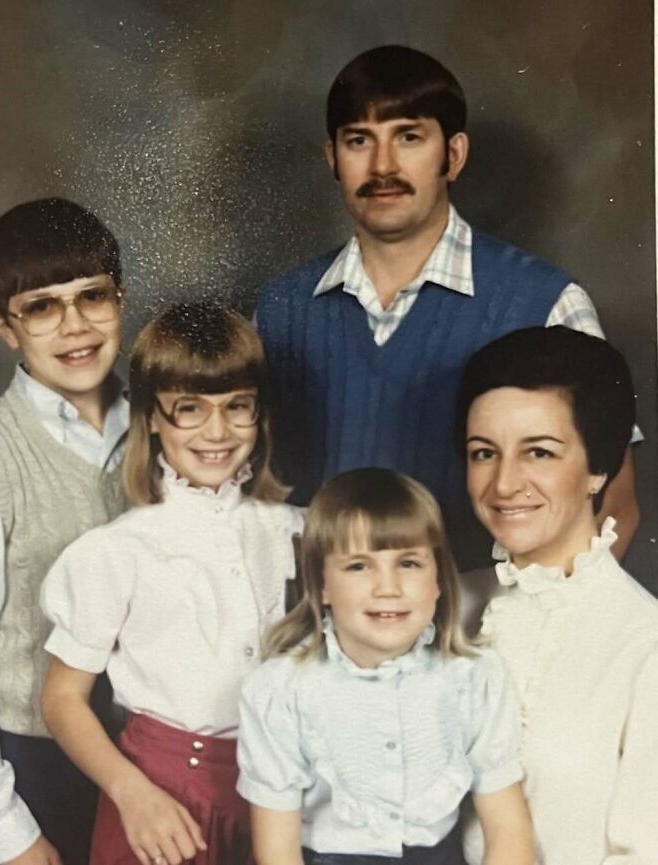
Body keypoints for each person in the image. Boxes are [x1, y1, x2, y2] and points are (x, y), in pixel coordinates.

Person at [255, 44, 639, 569]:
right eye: (359, 141)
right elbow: (250, 494)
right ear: (333, 159)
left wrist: (530, 633)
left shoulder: (547, 303)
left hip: (488, 633)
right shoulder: (280, 311)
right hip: (321, 633)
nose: (382, 165)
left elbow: (614, 506)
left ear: (453, 155)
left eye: (409, 137)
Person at [39, 302, 303, 865]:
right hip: (161, 797)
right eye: (189, 409)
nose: (217, 430)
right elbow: (62, 700)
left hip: (276, 796)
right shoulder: (118, 551)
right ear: (151, 419)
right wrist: (132, 794)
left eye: (238, 408)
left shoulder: (296, 530)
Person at [237, 467, 534, 865]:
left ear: (438, 580)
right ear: (321, 584)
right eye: (359, 566)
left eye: (409, 563)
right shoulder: (281, 690)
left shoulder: (473, 677)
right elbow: (277, 854)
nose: (388, 587)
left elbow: (507, 831)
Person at [0, 198, 128, 865]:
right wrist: (7, 830)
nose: (75, 325)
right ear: (4, 327)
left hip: (147, 751)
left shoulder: (164, 427)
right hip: (36, 765)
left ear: (120, 298)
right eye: (41, 306)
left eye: (93, 296)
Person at [456, 326, 658, 864]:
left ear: (598, 468)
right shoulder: (443, 607)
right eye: (483, 453)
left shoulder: (645, 643)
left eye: (539, 453)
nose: (503, 484)